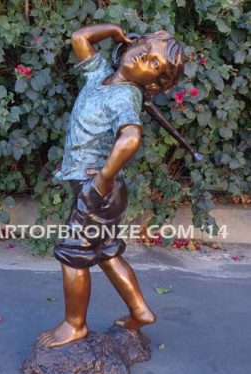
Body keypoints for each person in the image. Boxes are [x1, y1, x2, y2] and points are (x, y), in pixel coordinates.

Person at [38, 23, 185, 348]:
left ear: (156, 84)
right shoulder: (100, 74)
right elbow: (79, 37)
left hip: (99, 189)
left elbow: (130, 138)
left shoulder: (125, 96)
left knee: (73, 255)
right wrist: (114, 31)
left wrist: (101, 181)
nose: (143, 58)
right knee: (105, 252)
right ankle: (140, 311)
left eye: (153, 64)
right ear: (131, 44)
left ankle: (74, 324)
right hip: (98, 187)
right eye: (144, 49)